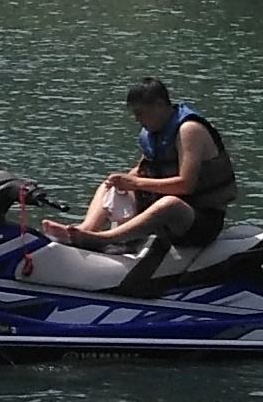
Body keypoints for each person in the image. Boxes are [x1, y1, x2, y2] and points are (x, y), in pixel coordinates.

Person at [70, 74, 239, 271]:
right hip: (164, 217)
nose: (137, 119)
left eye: (140, 113)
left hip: (200, 221)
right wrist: (121, 180)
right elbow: (145, 170)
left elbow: (186, 184)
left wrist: (134, 183)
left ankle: (104, 239)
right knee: (108, 185)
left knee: (169, 203)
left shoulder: (189, 130)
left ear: (159, 105)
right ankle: (85, 230)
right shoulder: (156, 132)